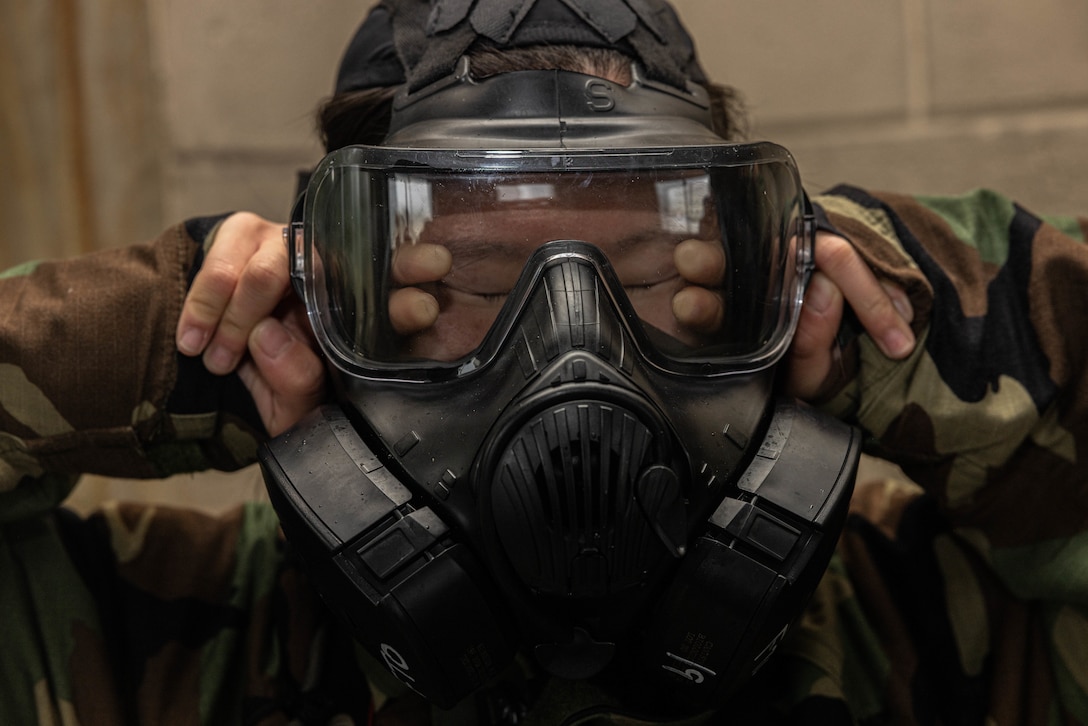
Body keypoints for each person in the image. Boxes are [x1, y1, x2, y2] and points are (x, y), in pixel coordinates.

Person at [3, 1, 1086, 725]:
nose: (573, 349)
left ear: (770, 287)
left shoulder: (927, 628)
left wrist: (934, 316)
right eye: (469, 280)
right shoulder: (164, 639)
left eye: (654, 271)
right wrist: (163, 343)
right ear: (331, 305)